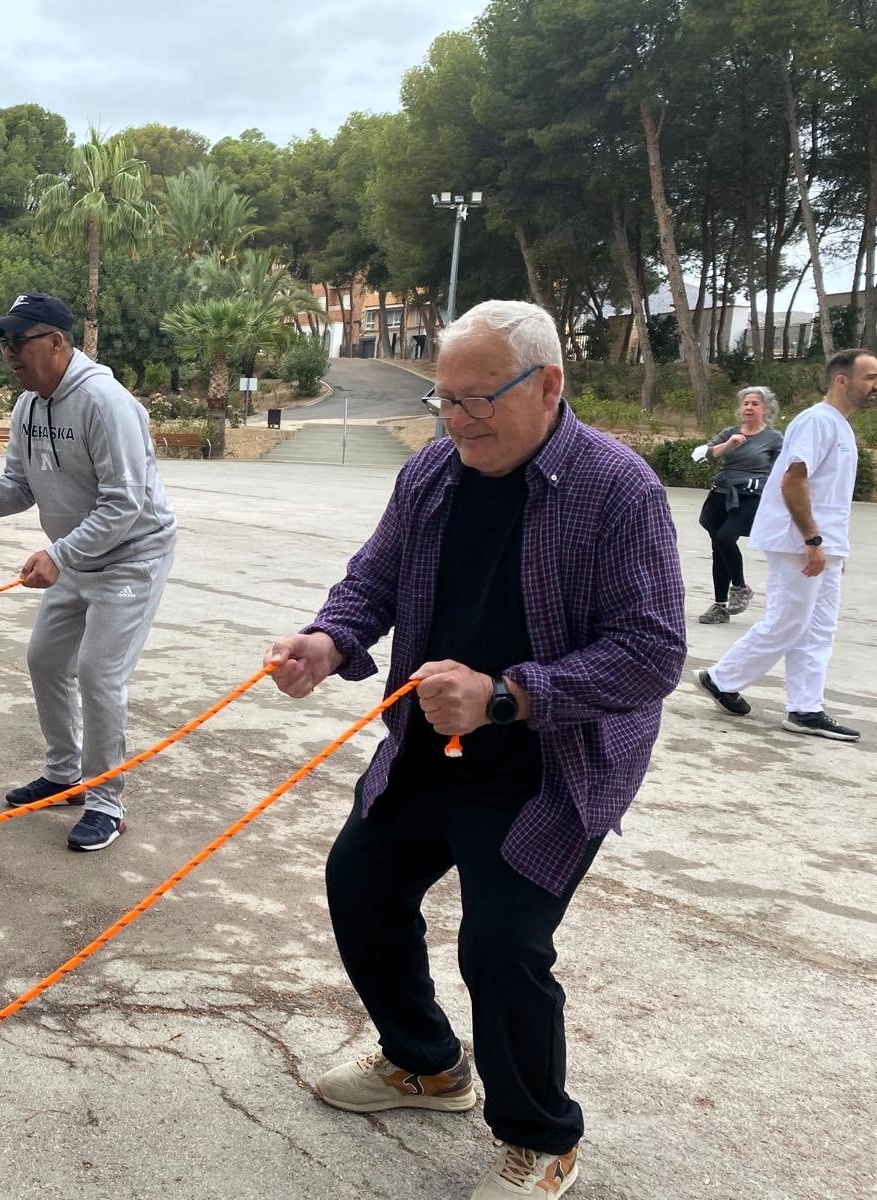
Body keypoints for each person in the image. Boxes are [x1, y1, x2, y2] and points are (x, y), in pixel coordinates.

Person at [265, 301, 685, 1199]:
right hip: (431, 744)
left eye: (476, 400)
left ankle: (542, 1138)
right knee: (361, 885)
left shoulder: (620, 490)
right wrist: (328, 641)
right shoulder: (432, 474)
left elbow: (652, 653)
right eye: (442, 400)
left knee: (500, 947)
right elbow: (372, 578)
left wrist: (505, 696)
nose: (456, 421)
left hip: (549, 769)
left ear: (548, 385)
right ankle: (426, 1065)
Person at [0, 292, 177, 853]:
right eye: (4, 344)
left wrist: (60, 555)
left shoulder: (104, 402)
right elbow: (20, 487)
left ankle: (106, 802)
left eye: (19, 341)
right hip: (76, 556)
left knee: (98, 672)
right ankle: (65, 775)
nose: (9, 353)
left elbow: (125, 503)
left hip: (131, 557)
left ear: (57, 342)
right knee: (45, 658)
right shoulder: (28, 406)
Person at [695, 348, 877, 741]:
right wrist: (812, 540)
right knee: (788, 622)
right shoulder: (817, 422)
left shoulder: (841, 425)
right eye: (870, 377)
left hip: (820, 545)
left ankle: (805, 709)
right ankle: (720, 677)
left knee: (818, 627)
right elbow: (793, 480)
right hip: (799, 542)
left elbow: (828, 493)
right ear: (842, 380)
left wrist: (833, 548)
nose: (875, 385)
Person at [691, 386, 783, 623]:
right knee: (718, 550)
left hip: (750, 497)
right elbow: (700, 456)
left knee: (725, 538)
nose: (749, 407)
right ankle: (720, 606)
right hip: (721, 494)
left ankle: (740, 587)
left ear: (766, 409)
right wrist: (729, 444)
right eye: (745, 403)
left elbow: (784, 470)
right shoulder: (729, 433)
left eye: (755, 404)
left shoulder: (774, 438)